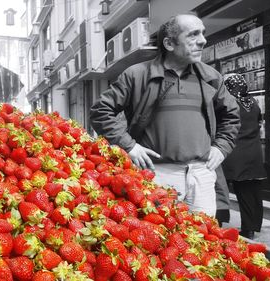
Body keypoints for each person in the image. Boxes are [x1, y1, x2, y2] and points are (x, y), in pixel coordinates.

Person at [90, 13, 241, 216]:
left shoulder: (211, 77)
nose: (203, 41)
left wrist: (222, 147)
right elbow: (101, 110)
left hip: (201, 174)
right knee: (160, 240)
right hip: (157, 174)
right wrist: (129, 146)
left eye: (203, 33)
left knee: (202, 241)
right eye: (193, 34)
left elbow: (231, 115)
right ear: (169, 43)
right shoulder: (137, 74)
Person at [222, 74, 266, 239]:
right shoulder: (253, 103)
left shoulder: (230, 103)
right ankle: (252, 227)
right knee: (253, 192)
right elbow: (259, 124)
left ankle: (221, 221)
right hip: (254, 153)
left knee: (230, 190)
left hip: (235, 154)